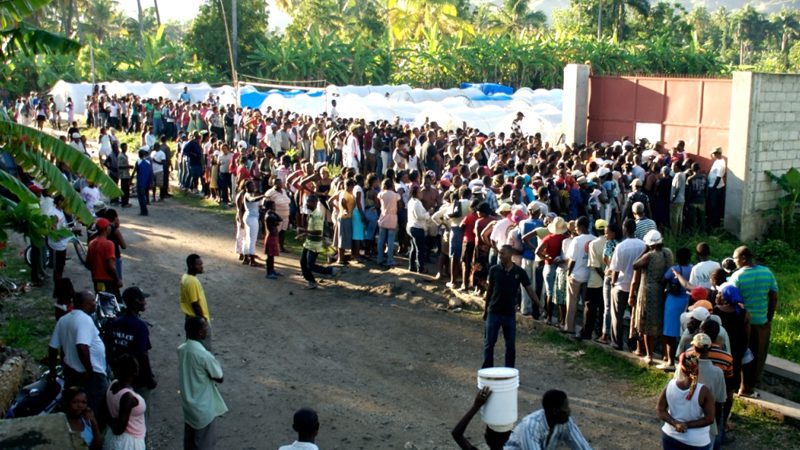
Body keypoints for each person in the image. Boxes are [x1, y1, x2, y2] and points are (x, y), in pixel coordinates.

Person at [48, 291, 109, 425]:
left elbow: (53, 347)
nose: (95, 304)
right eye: (93, 301)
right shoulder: (84, 319)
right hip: (91, 375)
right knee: (96, 407)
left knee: (75, 407)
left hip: (71, 371)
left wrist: (52, 370)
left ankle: (79, 430)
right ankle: (94, 434)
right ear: (86, 304)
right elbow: (82, 346)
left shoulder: (64, 319)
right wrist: (89, 370)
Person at [728, 245, 778, 397]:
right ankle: (751, 384)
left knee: (743, 354)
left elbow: (730, 299)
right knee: (758, 354)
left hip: (743, 323)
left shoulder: (738, 276)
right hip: (762, 322)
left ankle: (742, 387)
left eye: (735, 258)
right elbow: (774, 296)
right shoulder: (767, 272)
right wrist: (769, 317)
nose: (734, 261)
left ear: (743, 258)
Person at [482, 245, 540, 368]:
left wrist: (539, 304)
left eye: (502, 253)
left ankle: (509, 371)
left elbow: (529, 289)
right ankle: (487, 370)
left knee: (510, 345)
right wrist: (485, 310)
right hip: (494, 311)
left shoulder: (519, 272)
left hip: (509, 313)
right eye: (499, 253)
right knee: (489, 343)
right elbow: (489, 291)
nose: (500, 255)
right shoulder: (494, 270)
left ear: (510, 255)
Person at [106, 287, 157, 425]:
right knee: (140, 419)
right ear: (136, 302)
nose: (145, 302)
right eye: (142, 299)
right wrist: (149, 378)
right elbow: (143, 355)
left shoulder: (114, 324)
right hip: (139, 379)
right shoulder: (139, 326)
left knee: (121, 412)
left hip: (121, 378)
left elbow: (109, 352)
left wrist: (116, 373)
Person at [179, 317, 228, 450]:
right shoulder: (203, 355)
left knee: (190, 441)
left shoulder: (182, 349)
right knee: (204, 442)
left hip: (188, 404)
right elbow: (219, 376)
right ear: (200, 333)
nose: (207, 330)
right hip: (203, 406)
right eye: (205, 328)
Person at [657, 352, 716, 450]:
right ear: (697, 368)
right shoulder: (704, 391)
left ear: (681, 369)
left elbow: (660, 410)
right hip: (696, 443)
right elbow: (709, 419)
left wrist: (675, 423)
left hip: (670, 436)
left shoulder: (670, 385)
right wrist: (686, 425)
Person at [631, 229, 673, 363]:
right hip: (662, 290)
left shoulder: (649, 256)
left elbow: (635, 265)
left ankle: (649, 355)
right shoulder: (667, 253)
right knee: (661, 322)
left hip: (648, 291)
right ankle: (666, 355)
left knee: (647, 323)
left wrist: (644, 251)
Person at [504, 389, 591, 450]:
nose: (569, 411)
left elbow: (582, 446)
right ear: (555, 411)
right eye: (565, 407)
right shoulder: (530, 426)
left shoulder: (565, 421)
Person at [609, 219, 646, 351]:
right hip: (636, 286)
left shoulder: (621, 246)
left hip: (621, 285)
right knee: (635, 317)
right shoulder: (643, 245)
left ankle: (617, 342)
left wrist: (613, 283)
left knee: (617, 316)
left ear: (625, 229)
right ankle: (634, 344)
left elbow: (616, 269)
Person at [296, 195, 340, 289]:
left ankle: (331, 271)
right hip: (309, 243)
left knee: (310, 265)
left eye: (309, 202)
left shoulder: (317, 215)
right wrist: (303, 235)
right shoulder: (312, 214)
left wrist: (304, 231)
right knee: (303, 262)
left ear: (315, 203)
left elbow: (318, 232)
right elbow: (312, 229)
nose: (307, 204)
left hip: (315, 244)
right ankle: (311, 281)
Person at [104, 354, 147, 450]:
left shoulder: (113, 384)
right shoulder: (128, 397)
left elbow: (105, 410)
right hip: (128, 442)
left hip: (112, 437)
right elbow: (119, 429)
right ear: (134, 372)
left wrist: (110, 420)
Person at [565, 216, 593, 335]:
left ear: (581, 227)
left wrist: (568, 273)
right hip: (588, 276)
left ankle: (569, 328)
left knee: (572, 303)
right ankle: (584, 330)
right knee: (586, 305)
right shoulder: (594, 239)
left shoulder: (576, 240)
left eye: (576, 227)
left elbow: (572, 259)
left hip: (576, 275)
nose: (575, 229)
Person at [180, 254, 213, 350]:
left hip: (190, 318)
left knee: (193, 347)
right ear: (191, 266)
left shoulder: (185, 277)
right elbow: (195, 304)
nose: (201, 266)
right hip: (197, 320)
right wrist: (204, 321)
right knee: (204, 349)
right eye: (199, 265)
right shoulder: (192, 281)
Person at [86, 217, 122, 299]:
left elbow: (88, 264)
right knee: (115, 302)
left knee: (101, 300)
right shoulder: (109, 244)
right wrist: (118, 279)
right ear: (106, 228)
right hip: (108, 280)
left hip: (96, 280)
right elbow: (111, 266)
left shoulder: (92, 243)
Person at [707, 147, 726, 228]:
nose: (713, 155)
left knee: (715, 206)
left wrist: (713, 187)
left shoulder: (721, 163)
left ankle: (715, 223)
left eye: (714, 153)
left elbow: (719, 177)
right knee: (712, 205)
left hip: (716, 188)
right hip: (713, 186)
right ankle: (712, 221)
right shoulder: (717, 161)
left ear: (718, 153)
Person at [132, 147, 153, 216]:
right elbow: (150, 172)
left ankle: (143, 211)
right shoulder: (148, 162)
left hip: (140, 181)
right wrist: (151, 182)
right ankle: (144, 210)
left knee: (141, 197)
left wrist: (131, 179)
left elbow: (135, 171)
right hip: (147, 181)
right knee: (144, 196)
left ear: (139, 155)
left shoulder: (138, 162)